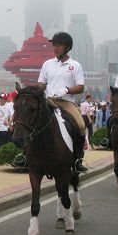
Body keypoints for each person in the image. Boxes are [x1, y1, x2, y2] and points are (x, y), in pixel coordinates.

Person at [37, 32, 87, 173]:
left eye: (59, 45)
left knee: (81, 126)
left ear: (67, 47)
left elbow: (80, 87)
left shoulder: (75, 65)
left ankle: (78, 159)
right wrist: (36, 90)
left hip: (66, 102)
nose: (55, 48)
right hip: (49, 101)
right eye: (54, 45)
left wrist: (66, 90)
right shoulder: (47, 64)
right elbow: (42, 83)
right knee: (32, 122)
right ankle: (26, 156)